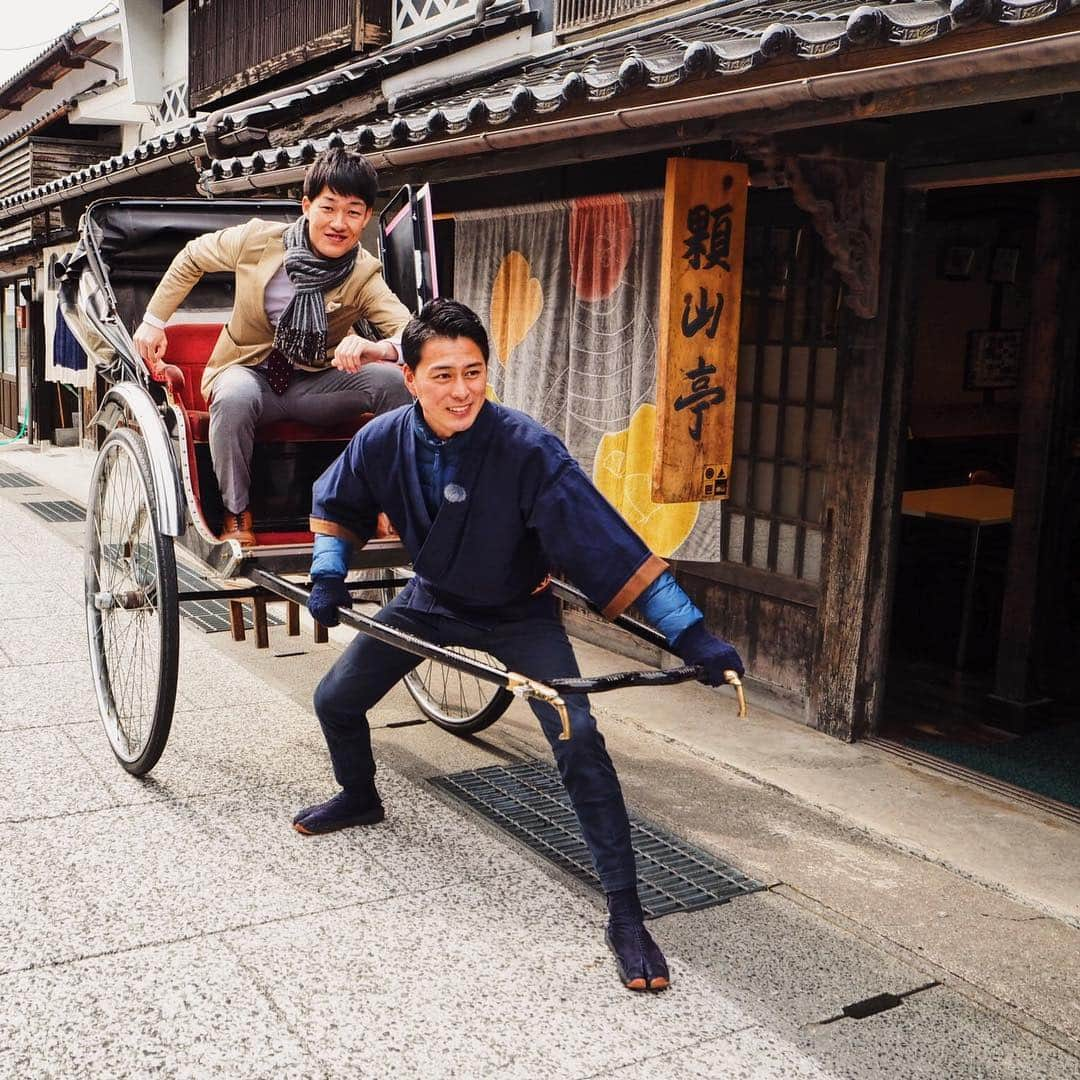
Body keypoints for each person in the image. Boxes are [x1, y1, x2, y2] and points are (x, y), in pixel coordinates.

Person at [299, 299, 745, 993]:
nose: (462, 389)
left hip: (519, 613)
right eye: (442, 374)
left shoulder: (526, 446)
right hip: (430, 600)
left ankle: (625, 914)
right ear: (410, 378)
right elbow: (341, 504)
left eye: (474, 371)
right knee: (335, 699)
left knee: (580, 740)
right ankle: (359, 796)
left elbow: (607, 547)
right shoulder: (382, 438)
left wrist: (692, 634)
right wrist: (328, 573)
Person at [132, 147, 413, 545]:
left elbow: (409, 332)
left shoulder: (363, 274)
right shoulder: (258, 241)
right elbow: (192, 256)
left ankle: (389, 501)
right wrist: (153, 321)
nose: (339, 223)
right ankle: (235, 510)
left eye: (353, 211)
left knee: (393, 382)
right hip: (247, 371)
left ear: (366, 217)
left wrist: (378, 349)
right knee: (233, 396)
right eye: (328, 207)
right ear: (306, 206)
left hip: (315, 383)